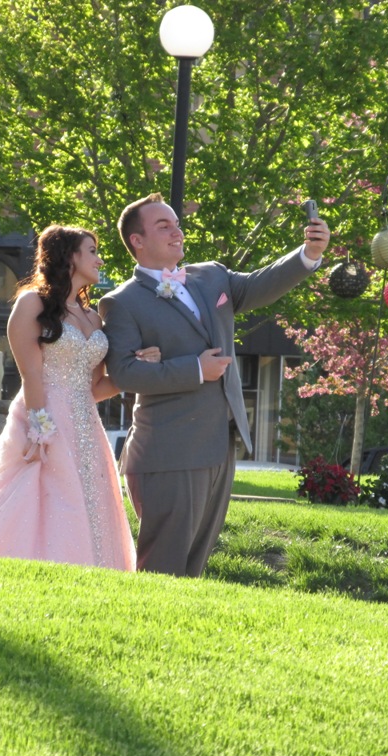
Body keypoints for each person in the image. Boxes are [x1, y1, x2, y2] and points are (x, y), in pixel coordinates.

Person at [99, 193, 330, 577]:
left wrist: (308, 254)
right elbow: (124, 374)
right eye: (163, 226)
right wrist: (194, 369)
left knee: (194, 568)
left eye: (176, 224)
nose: (177, 232)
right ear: (137, 240)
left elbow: (261, 284)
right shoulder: (121, 302)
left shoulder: (212, 276)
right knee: (163, 568)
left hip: (220, 443)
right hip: (168, 451)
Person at [0, 224, 160, 570]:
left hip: (86, 425)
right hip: (43, 417)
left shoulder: (94, 318)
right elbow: (31, 374)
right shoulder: (31, 304)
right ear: (69, 256)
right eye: (92, 251)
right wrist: (40, 430)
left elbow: (96, 388)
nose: (100, 260)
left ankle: (92, 572)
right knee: (41, 495)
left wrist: (139, 369)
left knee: (91, 500)